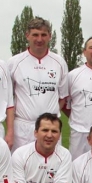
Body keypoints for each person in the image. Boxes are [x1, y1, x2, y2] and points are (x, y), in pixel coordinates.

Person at [8, 17, 68, 151]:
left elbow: (63, 97)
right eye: (35, 35)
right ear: (27, 35)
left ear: (50, 36)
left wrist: (49, 118)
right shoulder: (14, 63)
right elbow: (7, 98)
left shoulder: (59, 62)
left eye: (43, 35)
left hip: (50, 128)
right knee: (21, 162)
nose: (39, 39)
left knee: (52, 163)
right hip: (23, 128)